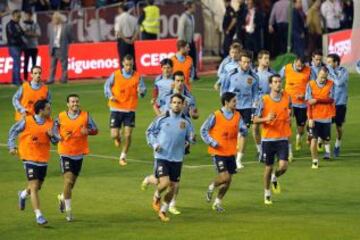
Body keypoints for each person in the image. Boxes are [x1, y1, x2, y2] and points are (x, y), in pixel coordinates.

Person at [142, 71, 197, 215]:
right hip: (162, 154)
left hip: (177, 156)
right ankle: (156, 196)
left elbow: (190, 135)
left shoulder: (186, 121)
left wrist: (191, 140)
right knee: (164, 183)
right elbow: (149, 132)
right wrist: (154, 144)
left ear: (183, 104)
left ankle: (164, 210)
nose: (177, 105)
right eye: (174, 103)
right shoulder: (162, 118)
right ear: (170, 104)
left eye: (179, 103)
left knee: (173, 186)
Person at [8, 99, 58, 225]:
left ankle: (23, 194)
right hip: (28, 156)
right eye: (48, 108)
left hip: (43, 158)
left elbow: (56, 141)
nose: (50, 110)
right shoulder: (27, 121)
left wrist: (52, 136)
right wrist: (12, 146)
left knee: (37, 186)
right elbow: (13, 131)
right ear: (41, 110)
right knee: (34, 186)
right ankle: (38, 215)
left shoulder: (51, 123)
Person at [55, 94, 98, 222]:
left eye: (77, 101)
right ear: (67, 104)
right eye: (72, 102)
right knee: (68, 181)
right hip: (65, 153)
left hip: (79, 154)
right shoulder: (61, 117)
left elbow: (95, 129)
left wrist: (89, 132)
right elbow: (53, 131)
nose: (75, 104)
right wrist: (60, 136)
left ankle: (62, 197)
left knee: (71, 184)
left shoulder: (85, 115)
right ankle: (68, 213)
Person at [201, 92, 246, 211]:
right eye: (234, 101)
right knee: (225, 177)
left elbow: (242, 127)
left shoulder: (237, 115)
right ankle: (212, 186)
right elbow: (203, 130)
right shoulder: (216, 115)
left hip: (231, 152)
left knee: (228, 181)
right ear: (226, 102)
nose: (236, 103)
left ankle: (217, 202)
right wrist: (212, 142)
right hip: (218, 152)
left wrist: (244, 129)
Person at [253, 74, 291, 205]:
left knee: (284, 166)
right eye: (275, 82)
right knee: (268, 168)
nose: (278, 84)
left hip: (282, 138)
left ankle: (276, 177)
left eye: (279, 81)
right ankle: (267, 193)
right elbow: (255, 119)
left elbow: (289, 111)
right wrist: (266, 119)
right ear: (270, 84)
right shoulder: (263, 100)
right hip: (268, 139)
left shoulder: (286, 97)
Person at [104, 54, 146, 166]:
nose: (129, 67)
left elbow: (143, 91)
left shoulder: (138, 76)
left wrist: (141, 92)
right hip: (116, 108)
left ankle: (123, 156)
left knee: (128, 135)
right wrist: (110, 95)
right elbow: (107, 86)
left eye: (131, 65)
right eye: (127, 65)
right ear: (123, 64)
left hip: (129, 110)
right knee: (114, 134)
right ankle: (117, 138)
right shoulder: (116, 75)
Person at [222, 50, 258, 169]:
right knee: (230, 133)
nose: (246, 65)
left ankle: (238, 160)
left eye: (248, 62)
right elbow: (224, 89)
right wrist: (224, 104)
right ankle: (227, 154)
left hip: (246, 107)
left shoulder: (254, 77)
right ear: (239, 62)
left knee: (243, 132)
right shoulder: (231, 74)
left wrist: (254, 108)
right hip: (232, 108)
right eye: (244, 62)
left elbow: (255, 94)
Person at [305, 67, 335, 168]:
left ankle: (325, 150)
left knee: (326, 138)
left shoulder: (331, 84)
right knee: (313, 139)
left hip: (326, 117)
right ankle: (315, 161)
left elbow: (331, 100)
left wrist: (317, 100)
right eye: (321, 77)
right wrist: (310, 118)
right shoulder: (310, 84)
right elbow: (309, 102)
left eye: (325, 78)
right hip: (314, 117)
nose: (323, 79)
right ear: (318, 74)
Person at [280, 56, 311, 152]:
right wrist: (280, 90)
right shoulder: (287, 68)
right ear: (294, 62)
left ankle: (298, 137)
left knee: (301, 126)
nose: (300, 66)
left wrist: (305, 95)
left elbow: (312, 85)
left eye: (302, 65)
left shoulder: (308, 70)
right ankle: (288, 149)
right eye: (298, 64)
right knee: (287, 124)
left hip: (302, 104)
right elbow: (277, 78)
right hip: (288, 103)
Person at [252, 50, 277, 160]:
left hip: (268, 104)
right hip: (255, 104)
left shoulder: (272, 74)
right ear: (259, 60)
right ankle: (260, 150)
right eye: (265, 58)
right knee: (255, 127)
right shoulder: (252, 73)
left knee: (269, 127)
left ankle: (270, 149)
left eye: (268, 58)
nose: (267, 60)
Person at [326, 54, 349, 157]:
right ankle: (327, 151)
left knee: (338, 128)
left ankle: (337, 144)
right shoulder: (326, 72)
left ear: (336, 62)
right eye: (327, 62)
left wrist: (331, 73)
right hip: (329, 103)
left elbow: (339, 83)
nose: (328, 64)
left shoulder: (344, 71)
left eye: (330, 62)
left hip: (340, 104)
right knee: (326, 126)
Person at [47, 12, 72, 84]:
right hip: (53, 48)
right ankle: (51, 79)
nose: (54, 20)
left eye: (56, 18)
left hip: (62, 48)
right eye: (53, 18)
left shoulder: (66, 26)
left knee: (64, 65)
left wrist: (66, 45)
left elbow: (70, 37)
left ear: (59, 19)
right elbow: (49, 36)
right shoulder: (49, 26)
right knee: (52, 65)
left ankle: (64, 79)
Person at [178, 0, 198, 80]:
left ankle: (194, 74)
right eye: (194, 7)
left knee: (193, 58)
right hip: (185, 42)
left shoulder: (192, 17)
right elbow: (181, 31)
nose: (195, 8)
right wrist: (182, 44)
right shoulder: (184, 17)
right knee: (186, 59)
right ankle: (186, 74)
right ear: (189, 7)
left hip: (191, 41)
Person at [21, 10, 41, 81]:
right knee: (26, 63)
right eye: (26, 15)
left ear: (31, 16)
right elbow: (23, 34)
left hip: (34, 46)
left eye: (29, 15)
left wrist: (30, 33)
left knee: (34, 64)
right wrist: (32, 34)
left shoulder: (35, 24)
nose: (28, 17)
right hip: (26, 46)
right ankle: (25, 78)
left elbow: (38, 33)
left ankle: (35, 78)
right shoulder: (23, 24)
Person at [6, 9, 24, 86]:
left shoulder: (17, 24)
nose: (19, 17)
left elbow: (22, 32)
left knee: (17, 64)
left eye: (19, 16)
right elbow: (13, 34)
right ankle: (16, 81)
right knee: (17, 63)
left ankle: (16, 80)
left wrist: (20, 33)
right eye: (18, 16)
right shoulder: (10, 24)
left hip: (18, 46)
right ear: (13, 15)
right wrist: (19, 33)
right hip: (13, 46)